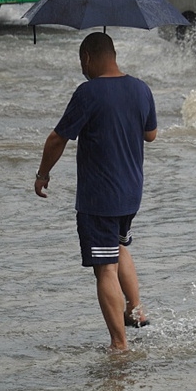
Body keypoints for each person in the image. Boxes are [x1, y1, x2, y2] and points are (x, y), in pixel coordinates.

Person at [34, 32, 157, 352]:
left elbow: (57, 139)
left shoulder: (88, 93)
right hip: (131, 193)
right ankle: (136, 309)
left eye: (81, 61)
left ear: (88, 56)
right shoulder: (142, 88)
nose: (81, 68)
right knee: (118, 246)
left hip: (100, 197)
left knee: (105, 268)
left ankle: (119, 344)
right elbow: (151, 134)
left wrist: (43, 174)